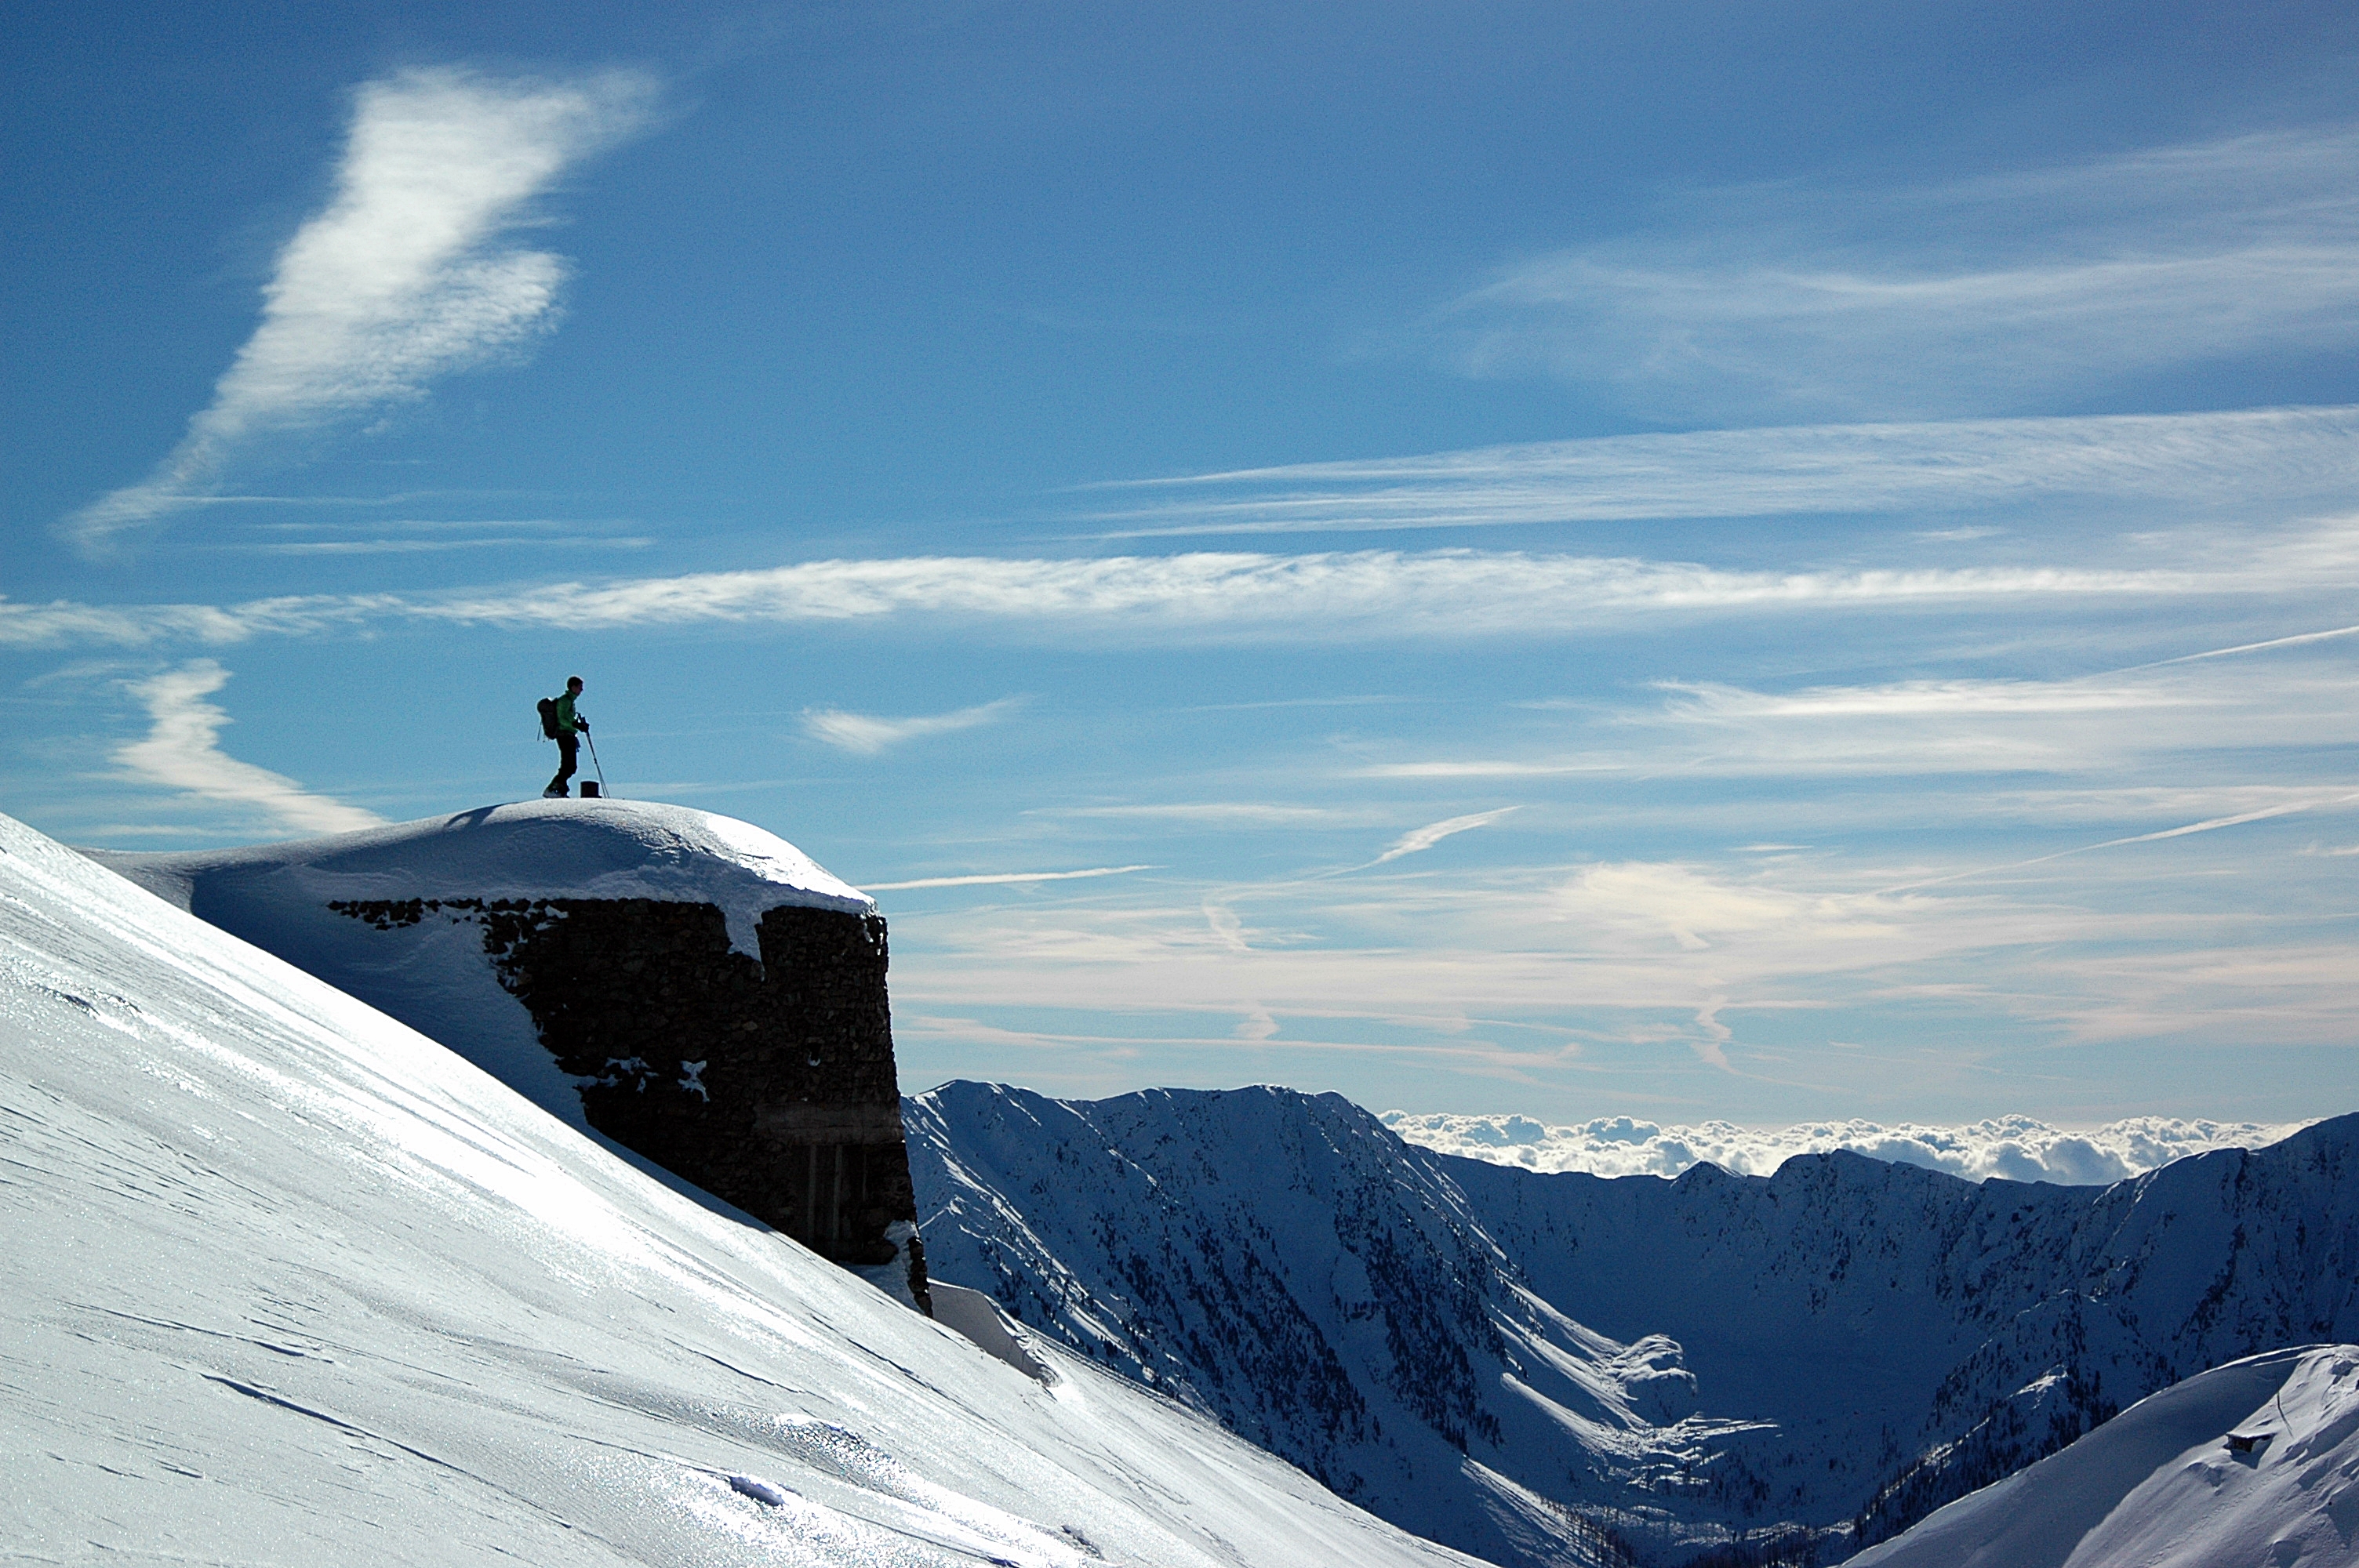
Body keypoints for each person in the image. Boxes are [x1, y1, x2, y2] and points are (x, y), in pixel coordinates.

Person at [544, 676, 588, 797]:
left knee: (570, 766)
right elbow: (562, 718)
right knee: (568, 766)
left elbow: (566, 718)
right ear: (573, 687)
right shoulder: (565, 700)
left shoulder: (569, 701)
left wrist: (578, 725)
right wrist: (576, 724)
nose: (581, 690)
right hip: (564, 735)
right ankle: (552, 788)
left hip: (568, 735)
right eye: (580, 687)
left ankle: (560, 788)